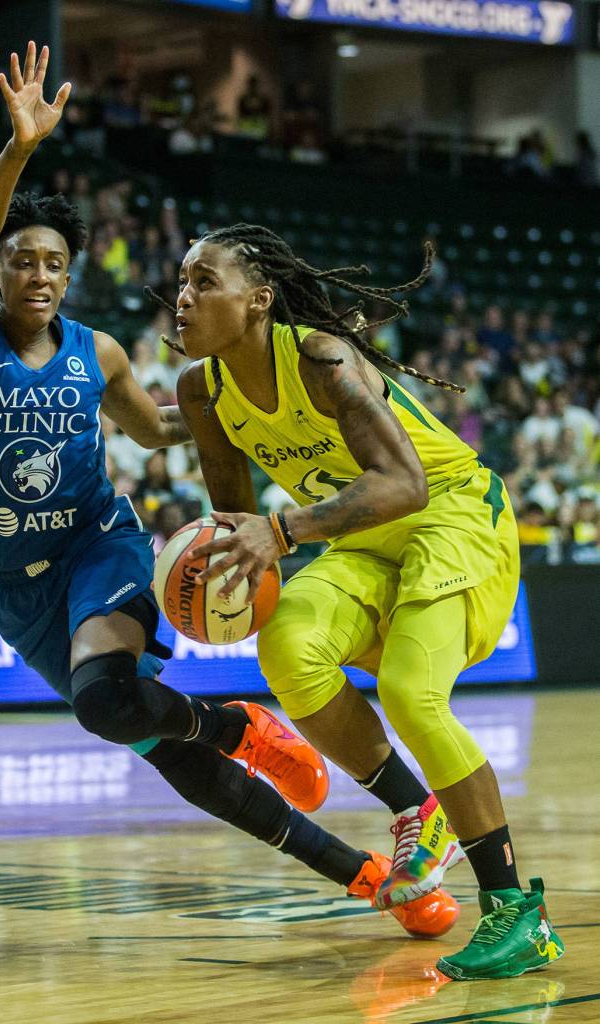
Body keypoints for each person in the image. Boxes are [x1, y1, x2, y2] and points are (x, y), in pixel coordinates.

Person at [0, 43, 457, 940]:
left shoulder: (96, 353)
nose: (39, 275)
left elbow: (164, 427)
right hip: (16, 588)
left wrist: (260, 393)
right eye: (22, 262)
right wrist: (19, 148)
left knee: (106, 700)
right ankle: (363, 873)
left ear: (70, 275)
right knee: (159, 748)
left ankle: (247, 731)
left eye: (54, 262)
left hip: (102, 546)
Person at [162, 222, 564, 981]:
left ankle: (518, 914)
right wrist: (218, 577)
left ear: (258, 300)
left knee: (413, 695)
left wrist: (280, 531)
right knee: (287, 648)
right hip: (360, 540)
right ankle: (420, 813)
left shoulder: (321, 358)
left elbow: (403, 484)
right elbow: (235, 517)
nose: (182, 298)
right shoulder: (200, 391)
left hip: (448, 513)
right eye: (180, 283)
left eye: (202, 281)